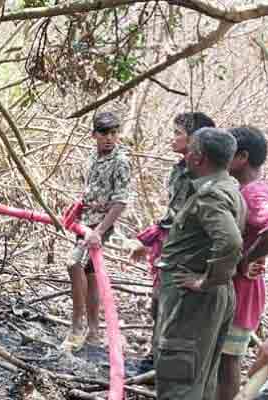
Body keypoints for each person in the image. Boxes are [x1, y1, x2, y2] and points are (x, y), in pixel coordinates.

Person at [154, 128, 247, 400]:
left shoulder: (212, 195)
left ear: (198, 158)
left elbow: (230, 242)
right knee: (201, 380)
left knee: (179, 382)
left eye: (191, 150)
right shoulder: (228, 187)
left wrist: (206, 280)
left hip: (193, 300)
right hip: (208, 295)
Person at [130, 112, 216, 369]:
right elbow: (172, 214)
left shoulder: (204, 178)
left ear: (195, 140)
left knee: (173, 308)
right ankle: (154, 357)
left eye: (178, 133)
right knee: (158, 302)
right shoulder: (179, 170)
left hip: (189, 255)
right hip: (170, 248)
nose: (173, 138)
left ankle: (165, 364)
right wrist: (148, 239)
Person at [62, 111, 131, 352]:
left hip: (100, 225)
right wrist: (76, 207)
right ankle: (92, 332)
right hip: (84, 221)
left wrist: (99, 231)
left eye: (114, 133)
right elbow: (90, 189)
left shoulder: (121, 161)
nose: (109, 138)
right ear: (94, 135)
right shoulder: (92, 157)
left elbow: (120, 201)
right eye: (104, 133)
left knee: (74, 263)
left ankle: (77, 325)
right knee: (90, 275)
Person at [217, 126, 268, 400]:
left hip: (242, 292)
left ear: (242, 157)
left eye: (228, 152)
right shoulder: (243, 190)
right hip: (235, 288)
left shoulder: (255, 193)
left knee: (227, 362)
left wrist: (248, 258)